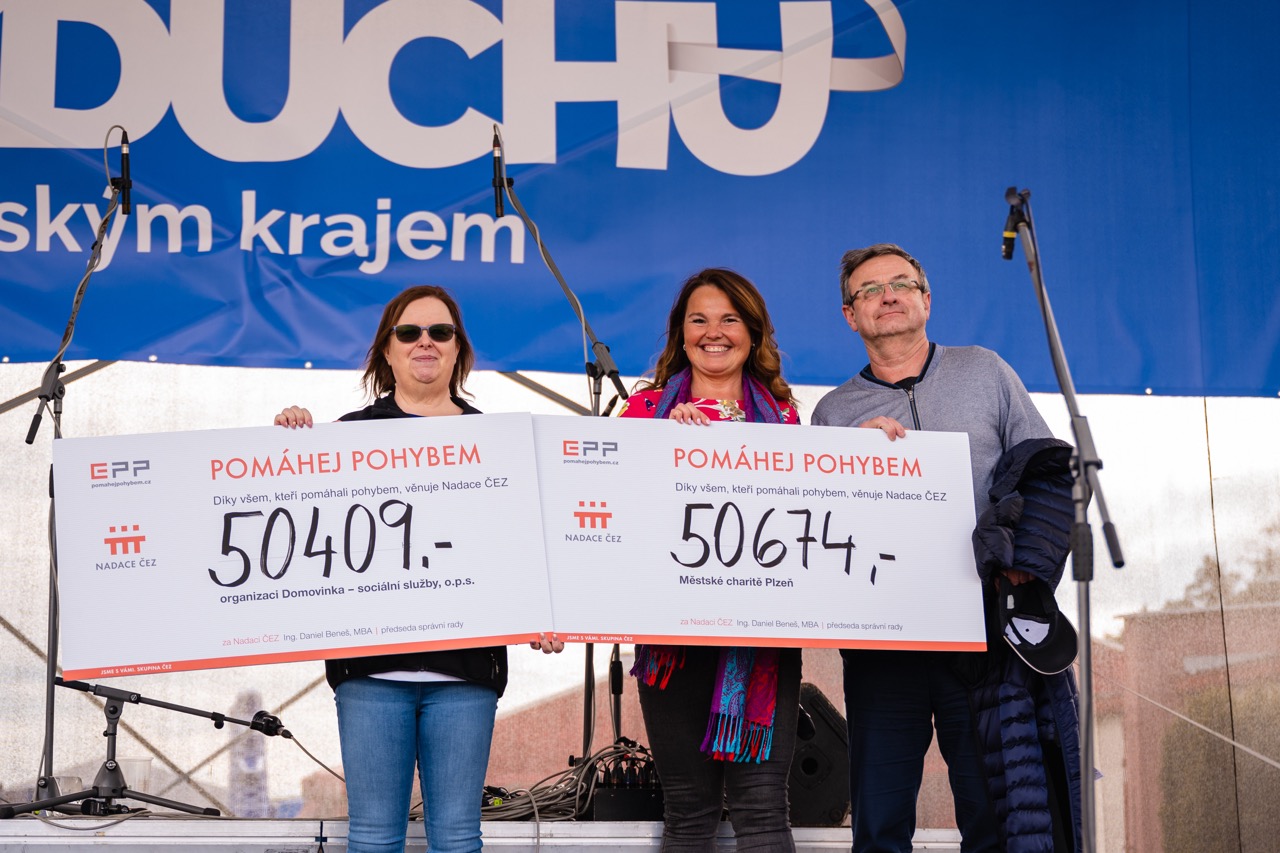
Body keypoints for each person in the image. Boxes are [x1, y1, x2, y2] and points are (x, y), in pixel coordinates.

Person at [811, 244, 1081, 852]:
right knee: (880, 825)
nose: (887, 296)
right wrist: (849, 456)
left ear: (926, 300)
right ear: (850, 316)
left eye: (901, 284)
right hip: (883, 639)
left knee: (993, 818)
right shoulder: (833, 413)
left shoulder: (985, 371)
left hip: (981, 634)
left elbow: (1043, 472)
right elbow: (822, 528)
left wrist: (1024, 564)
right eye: (868, 290)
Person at [274, 285, 562, 853]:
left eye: (440, 332)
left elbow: (525, 541)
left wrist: (544, 609)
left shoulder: (501, 443)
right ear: (387, 350)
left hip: (465, 673)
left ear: (459, 349)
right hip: (371, 673)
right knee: (373, 837)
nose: (425, 342)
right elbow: (303, 533)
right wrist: (290, 442)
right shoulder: (342, 438)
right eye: (409, 332)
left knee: (457, 837)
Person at [619, 268, 802, 853]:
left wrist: (871, 447)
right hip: (672, 642)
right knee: (688, 811)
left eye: (729, 319)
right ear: (681, 332)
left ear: (753, 332)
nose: (713, 332)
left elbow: (809, 519)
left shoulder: (786, 418)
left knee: (763, 809)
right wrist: (662, 445)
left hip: (762, 637)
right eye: (699, 319)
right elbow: (613, 514)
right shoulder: (643, 411)